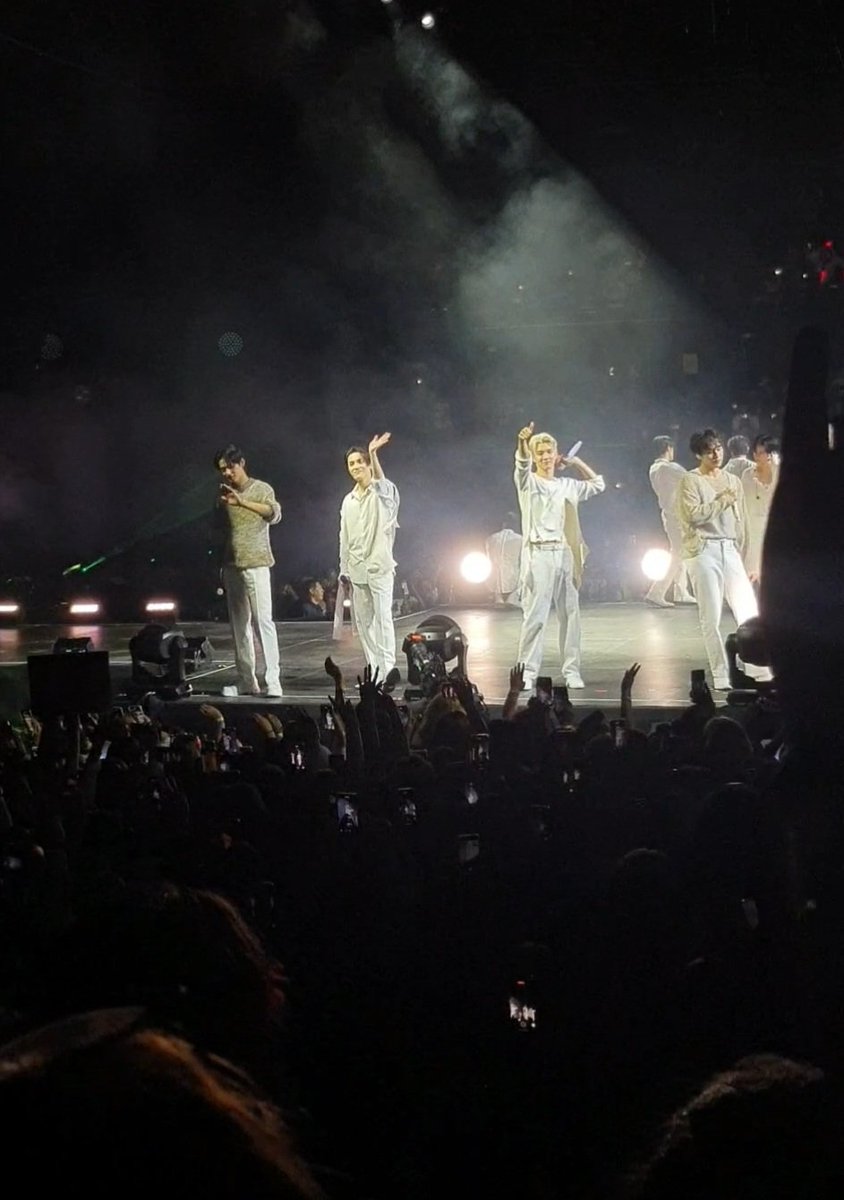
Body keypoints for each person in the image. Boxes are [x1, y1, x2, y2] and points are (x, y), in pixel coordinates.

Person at [514, 422, 605, 690]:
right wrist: (522, 443)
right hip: (538, 553)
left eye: (548, 451)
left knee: (570, 614)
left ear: (556, 454)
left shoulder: (568, 485)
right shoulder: (528, 482)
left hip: (565, 553)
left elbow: (598, 484)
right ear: (533, 455)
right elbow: (520, 466)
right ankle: (528, 672)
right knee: (535, 617)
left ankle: (572, 670)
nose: (544, 456)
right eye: (539, 452)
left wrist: (575, 462)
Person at [677, 429, 759, 690]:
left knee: (749, 611)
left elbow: (742, 520)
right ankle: (721, 674)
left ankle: (757, 668)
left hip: (729, 548)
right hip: (704, 549)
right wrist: (722, 500)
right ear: (699, 453)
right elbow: (693, 516)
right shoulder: (690, 480)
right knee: (710, 616)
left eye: (718, 448)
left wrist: (745, 553)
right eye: (710, 450)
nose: (716, 454)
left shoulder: (732, 480)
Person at [215, 445, 283, 697]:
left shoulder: (262, 488)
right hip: (232, 564)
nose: (227, 473)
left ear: (241, 463)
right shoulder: (222, 495)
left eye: (230, 467)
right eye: (222, 470)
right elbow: (220, 531)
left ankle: (273, 680)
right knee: (239, 626)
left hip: (257, 563)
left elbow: (274, 514)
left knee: (264, 621)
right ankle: (247, 680)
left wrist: (242, 501)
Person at [339, 433, 401, 689]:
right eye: (351, 464)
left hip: (380, 567)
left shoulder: (384, 493)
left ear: (367, 464)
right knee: (364, 623)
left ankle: (388, 670)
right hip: (357, 569)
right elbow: (344, 536)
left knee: (383, 618)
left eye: (358, 462)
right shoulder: (348, 500)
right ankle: (374, 671)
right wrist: (343, 568)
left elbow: (382, 485)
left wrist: (374, 453)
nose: (354, 467)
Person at [643, 435, 695, 608]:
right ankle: (656, 591)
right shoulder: (669, 467)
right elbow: (692, 479)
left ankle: (681, 591)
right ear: (668, 448)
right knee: (679, 553)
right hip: (677, 515)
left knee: (680, 551)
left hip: (668, 514)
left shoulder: (654, 468)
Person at [741, 434, 780, 583]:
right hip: (753, 527)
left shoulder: (780, 472)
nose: (759, 456)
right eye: (759, 452)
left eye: (764, 452)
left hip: (775, 526)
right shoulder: (748, 475)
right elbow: (743, 502)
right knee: (751, 569)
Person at [485, 513, 523, 607]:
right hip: (514, 581)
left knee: (497, 608)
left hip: (493, 582)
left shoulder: (490, 539)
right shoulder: (520, 539)